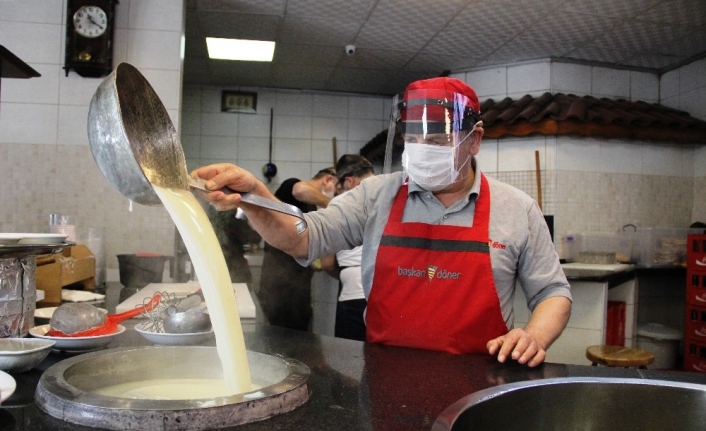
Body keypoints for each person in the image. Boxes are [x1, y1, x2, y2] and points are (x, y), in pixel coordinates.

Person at [192, 77, 572, 367]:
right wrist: (256, 194)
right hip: (384, 378)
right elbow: (301, 239)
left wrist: (534, 336)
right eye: (413, 141)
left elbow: (553, 293)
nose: (422, 153)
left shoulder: (517, 209)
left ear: (475, 140)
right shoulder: (377, 195)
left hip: (480, 384)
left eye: (438, 142)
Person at [257, 167, 338, 331]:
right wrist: (334, 208)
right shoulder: (290, 187)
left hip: (297, 288)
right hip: (280, 288)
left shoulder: (311, 209)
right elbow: (300, 190)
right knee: (284, 342)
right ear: (328, 180)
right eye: (337, 189)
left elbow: (308, 250)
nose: (336, 194)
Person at [320, 154, 375, 341]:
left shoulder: (341, 203)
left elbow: (326, 263)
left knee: (350, 362)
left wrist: (326, 202)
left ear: (349, 181)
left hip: (354, 295)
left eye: (340, 186)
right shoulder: (390, 196)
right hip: (387, 293)